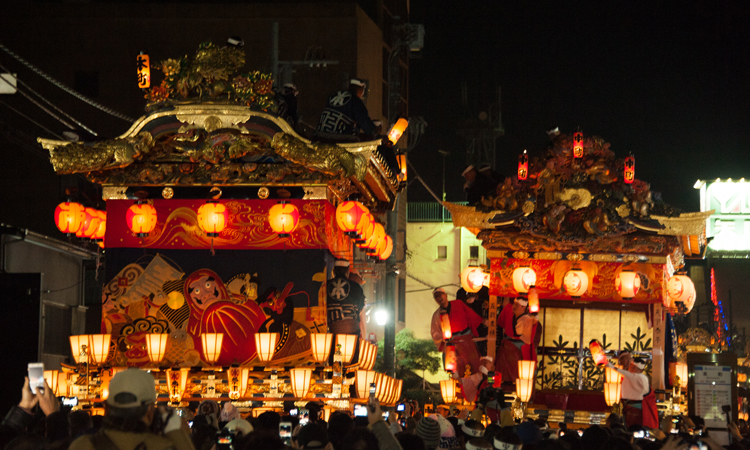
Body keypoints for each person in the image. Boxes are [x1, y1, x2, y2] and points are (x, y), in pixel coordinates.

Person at [69, 368, 193, 450]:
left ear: (106, 408)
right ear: (150, 410)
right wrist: (175, 432)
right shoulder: (160, 446)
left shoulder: (82, 445)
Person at [431, 288, 484, 378]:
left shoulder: (458, 303)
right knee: (457, 371)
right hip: (452, 344)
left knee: (474, 366)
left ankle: (476, 388)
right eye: (436, 297)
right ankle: (460, 389)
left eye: (440, 295)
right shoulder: (436, 315)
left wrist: (484, 322)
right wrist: (443, 338)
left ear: (446, 295)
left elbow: (470, 315)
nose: (439, 298)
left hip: (466, 339)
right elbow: (435, 332)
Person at [495, 298, 541, 384]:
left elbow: (532, 330)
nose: (514, 306)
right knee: (502, 374)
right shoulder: (509, 310)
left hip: (520, 349)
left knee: (520, 375)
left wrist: (535, 317)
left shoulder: (527, 319)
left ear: (523, 307)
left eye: (517, 305)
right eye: (514, 304)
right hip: (506, 346)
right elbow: (500, 322)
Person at [606, 352, 655, 428]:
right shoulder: (617, 375)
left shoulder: (638, 377)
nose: (629, 362)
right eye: (626, 359)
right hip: (626, 406)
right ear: (620, 361)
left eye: (630, 359)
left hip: (638, 407)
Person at [326, 260, 365, 337]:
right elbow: (361, 307)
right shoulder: (355, 286)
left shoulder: (326, 285)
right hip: (353, 330)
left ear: (334, 271)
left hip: (334, 330)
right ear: (347, 271)